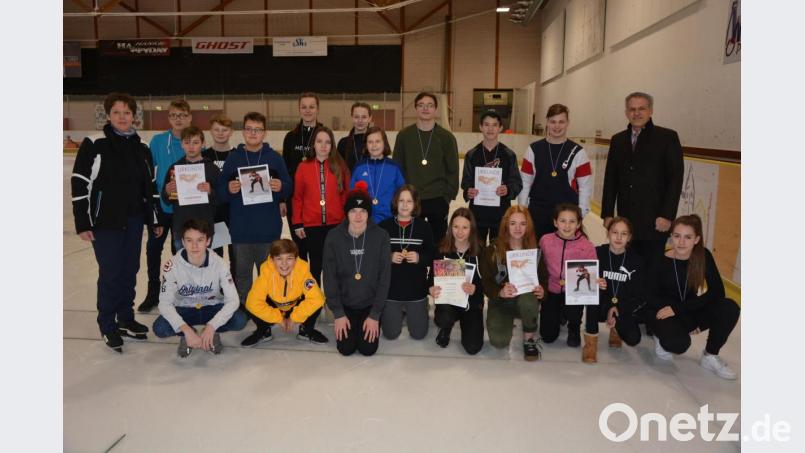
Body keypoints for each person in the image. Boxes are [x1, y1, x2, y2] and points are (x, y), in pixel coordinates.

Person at [71, 92, 162, 353]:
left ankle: (125, 317)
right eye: (117, 112)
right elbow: (80, 182)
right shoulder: (95, 143)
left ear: (134, 116)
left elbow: (150, 187)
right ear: (108, 115)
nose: (122, 117)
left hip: (134, 220)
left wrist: (153, 219)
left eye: (127, 113)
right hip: (105, 222)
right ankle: (107, 324)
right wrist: (83, 222)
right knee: (111, 273)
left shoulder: (142, 147)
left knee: (130, 270)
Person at [217, 112, 292, 340]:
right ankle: (245, 310)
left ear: (264, 133)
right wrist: (228, 189)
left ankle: (267, 312)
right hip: (241, 230)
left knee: (268, 275)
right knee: (242, 276)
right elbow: (220, 192)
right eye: (249, 129)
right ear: (243, 132)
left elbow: (289, 186)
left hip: (268, 230)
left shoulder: (274, 158)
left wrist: (281, 186)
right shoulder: (234, 158)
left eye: (257, 129)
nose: (253, 133)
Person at [648, 215, 740, 380]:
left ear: (696, 239)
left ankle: (710, 355)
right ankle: (659, 335)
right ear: (671, 237)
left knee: (729, 307)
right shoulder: (660, 259)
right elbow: (649, 295)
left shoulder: (703, 256)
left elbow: (717, 292)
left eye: (688, 237)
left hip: (687, 309)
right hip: (664, 311)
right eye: (677, 236)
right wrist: (672, 312)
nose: (681, 242)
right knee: (678, 344)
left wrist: (689, 315)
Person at [601, 92, 684, 265]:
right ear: (626, 112)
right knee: (627, 267)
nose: (637, 113)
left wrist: (667, 215)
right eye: (632, 109)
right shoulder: (618, 140)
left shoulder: (667, 137)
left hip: (655, 221)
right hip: (625, 221)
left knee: (651, 268)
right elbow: (610, 179)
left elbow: (675, 180)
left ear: (650, 111)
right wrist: (608, 213)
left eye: (642, 109)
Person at [291, 126, 352, 344]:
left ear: (332, 145)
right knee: (314, 272)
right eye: (319, 142)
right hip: (312, 227)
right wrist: (297, 222)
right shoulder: (303, 167)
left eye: (327, 142)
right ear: (313, 145)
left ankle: (341, 313)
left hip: (336, 227)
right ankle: (308, 322)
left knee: (336, 271)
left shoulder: (339, 167)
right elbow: (297, 197)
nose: (323, 146)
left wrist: (347, 222)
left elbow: (346, 196)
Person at [153, 219, 247, 357]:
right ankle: (188, 336)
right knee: (160, 328)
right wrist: (185, 330)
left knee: (240, 320)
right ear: (183, 242)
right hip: (185, 309)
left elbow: (233, 300)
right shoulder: (172, 265)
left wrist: (212, 326)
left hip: (212, 307)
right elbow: (164, 303)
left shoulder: (219, 263)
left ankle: (212, 334)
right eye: (189, 240)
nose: (194, 246)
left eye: (200, 240)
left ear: (208, 241)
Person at [139, 99, 193, 313]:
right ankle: (153, 292)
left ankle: (178, 291)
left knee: (180, 251)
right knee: (153, 250)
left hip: (184, 209)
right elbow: (148, 175)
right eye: (173, 115)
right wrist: (151, 206)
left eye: (182, 115)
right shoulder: (158, 141)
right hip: (161, 208)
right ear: (169, 118)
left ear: (189, 117)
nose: (178, 119)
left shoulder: (195, 141)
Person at [323, 187, 391, 356]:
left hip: (370, 305)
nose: (358, 216)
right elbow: (329, 278)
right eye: (353, 211)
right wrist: (338, 314)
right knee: (346, 349)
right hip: (345, 305)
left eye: (363, 211)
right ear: (347, 213)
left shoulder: (381, 236)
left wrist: (375, 315)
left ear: (369, 214)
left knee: (368, 349)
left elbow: (384, 278)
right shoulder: (333, 237)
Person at [480, 206, 545, 361]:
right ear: (505, 225)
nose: (517, 228)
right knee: (499, 342)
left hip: (525, 299)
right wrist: (499, 292)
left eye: (523, 224)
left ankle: (529, 338)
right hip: (501, 302)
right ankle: (507, 320)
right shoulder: (492, 250)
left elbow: (544, 278)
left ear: (528, 226)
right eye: (513, 223)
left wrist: (543, 291)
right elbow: (486, 282)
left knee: (528, 302)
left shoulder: (534, 251)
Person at [518, 104, 592, 239]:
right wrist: (523, 210)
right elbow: (525, 182)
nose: (557, 126)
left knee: (564, 251)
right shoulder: (533, 149)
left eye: (561, 122)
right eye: (553, 122)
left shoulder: (579, 152)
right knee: (538, 250)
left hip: (566, 216)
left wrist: (580, 214)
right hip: (537, 213)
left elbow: (585, 187)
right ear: (547, 122)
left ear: (567, 123)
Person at [392, 92, 459, 243]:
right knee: (412, 241)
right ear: (416, 108)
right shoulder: (404, 136)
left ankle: (438, 262)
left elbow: (453, 170)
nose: (425, 109)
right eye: (421, 105)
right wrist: (402, 196)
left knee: (439, 242)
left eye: (430, 105)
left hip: (438, 198)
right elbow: (397, 167)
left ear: (435, 109)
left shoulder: (446, 137)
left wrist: (447, 197)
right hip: (412, 198)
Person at [538, 203, 605, 351]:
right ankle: (559, 314)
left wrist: (596, 280)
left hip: (574, 292)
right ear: (555, 222)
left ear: (579, 224)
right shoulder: (545, 241)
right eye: (563, 221)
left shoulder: (587, 246)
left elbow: (591, 272)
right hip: (552, 290)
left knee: (574, 308)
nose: (567, 226)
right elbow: (539, 267)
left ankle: (574, 326)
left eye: (572, 221)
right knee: (548, 336)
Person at [241, 239, 326, 346]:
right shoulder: (266, 271)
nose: (284, 264)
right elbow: (252, 302)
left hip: (295, 306)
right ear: (272, 260)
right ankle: (263, 331)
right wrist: (278, 318)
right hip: (274, 306)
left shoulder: (302, 270)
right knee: (251, 304)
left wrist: (294, 317)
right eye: (279, 258)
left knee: (317, 300)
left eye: (289, 258)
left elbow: (317, 299)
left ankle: (306, 330)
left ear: (295, 259)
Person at [378, 185, 434, 341]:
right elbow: (375, 256)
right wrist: (388, 257)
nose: (404, 205)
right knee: (390, 334)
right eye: (401, 200)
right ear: (395, 202)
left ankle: (419, 308)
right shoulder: (384, 227)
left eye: (409, 201)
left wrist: (419, 258)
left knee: (418, 334)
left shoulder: (424, 226)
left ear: (415, 204)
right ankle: (397, 312)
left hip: (416, 290)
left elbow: (432, 255)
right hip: (391, 290)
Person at [428, 208, 485, 355]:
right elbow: (430, 279)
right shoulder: (441, 249)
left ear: (472, 229)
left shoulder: (480, 251)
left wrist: (475, 289)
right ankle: (446, 327)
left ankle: (466, 322)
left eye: (465, 227)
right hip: (449, 303)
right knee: (444, 318)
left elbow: (487, 283)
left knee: (473, 347)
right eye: (456, 227)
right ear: (450, 227)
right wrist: (431, 289)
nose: (460, 232)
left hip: (470, 304)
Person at [591, 217, 646, 363]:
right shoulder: (596, 253)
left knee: (633, 338)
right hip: (600, 303)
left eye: (624, 234)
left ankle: (615, 329)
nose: (619, 237)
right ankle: (591, 340)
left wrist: (619, 308)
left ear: (629, 237)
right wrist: (594, 283)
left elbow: (639, 295)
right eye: (615, 232)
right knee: (591, 300)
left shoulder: (637, 261)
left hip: (622, 306)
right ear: (608, 233)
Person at [462, 110, 522, 244]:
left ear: (500, 128)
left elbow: (516, 183)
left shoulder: (509, 155)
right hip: (477, 214)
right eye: (486, 124)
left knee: (498, 251)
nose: (490, 129)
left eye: (494, 125)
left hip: (501, 214)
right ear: (480, 127)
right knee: (477, 250)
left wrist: (508, 189)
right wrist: (468, 190)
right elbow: (466, 181)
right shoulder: (472, 154)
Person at [161, 126, 220, 253]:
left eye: (195, 142)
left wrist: (211, 191)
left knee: (204, 264)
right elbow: (166, 200)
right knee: (182, 264)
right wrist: (167, 191)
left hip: (204, 228)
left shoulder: (212, 169)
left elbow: (221, 199)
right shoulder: (175, 168)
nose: (191, 147)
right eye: (187, 143)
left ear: (203, 144)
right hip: (181, 228)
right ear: (182, 144)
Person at [282, 92, 324, 264]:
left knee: (317, 251)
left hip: (316, 201)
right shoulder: (290, 137)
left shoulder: (324, 135)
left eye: (311, 107)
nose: (308, 110)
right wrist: (282, 199)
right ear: (299, 109)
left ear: (318, 109)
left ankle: (315, 282)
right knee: (299, 250)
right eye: (304, 107)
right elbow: (284, 171)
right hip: (295, 200)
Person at [202, 113, 237, 279]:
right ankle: (216, 288)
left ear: (231, 132)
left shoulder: (238, 155)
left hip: (235, 214)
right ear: (210, 131)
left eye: (224, 130)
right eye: (217, 130)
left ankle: (234, 289)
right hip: (213, 214)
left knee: (236, 257)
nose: (221, 133)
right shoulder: (204, 156)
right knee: (214, 257)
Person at [350, 126, 405, 224]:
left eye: (378, 141)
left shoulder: (395, 167)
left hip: (389, 220)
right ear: (366, 145)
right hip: (364, 221)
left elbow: (402, 194)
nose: (374, 145)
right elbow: (352, 195)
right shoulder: (359, 167)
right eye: (370, 142)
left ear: (384, 143)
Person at [337, 102, 372, 172]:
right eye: (356, 117)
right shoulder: (343, 143)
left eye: (364, 117)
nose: (360, 120)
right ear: (352, 118)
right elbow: (338, 169)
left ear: (370, 118)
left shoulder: (375, 142)